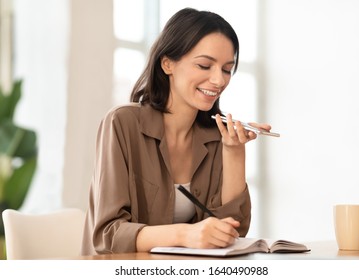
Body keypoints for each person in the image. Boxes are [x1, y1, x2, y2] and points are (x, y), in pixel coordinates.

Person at [81, 7, 272, 255]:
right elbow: (108, 235)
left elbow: (233, 233)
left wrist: (234, 151)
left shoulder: (216, 136)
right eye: (205, 65)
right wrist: (185, 234)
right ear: (168, 63)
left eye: (226, 69)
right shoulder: (122, 124)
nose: (219, 80)